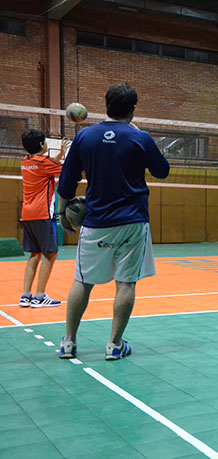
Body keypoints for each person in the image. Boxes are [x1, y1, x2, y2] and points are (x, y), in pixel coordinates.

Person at [57, 83, 170, 359]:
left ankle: (69, 343)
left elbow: (67, 180)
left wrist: (61, 214)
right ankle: (114, 345)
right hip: (133, 221)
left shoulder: (85, 137)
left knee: (82, 281)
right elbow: (163, 171)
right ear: (133, 109)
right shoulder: (140, 138)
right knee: (126, 283)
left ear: (105, 104)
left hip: (95, 222)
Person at [18, 129, 69, 308]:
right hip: (42, 213)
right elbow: (66, 171)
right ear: (41, 145)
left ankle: (26, 295)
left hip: (27, 214)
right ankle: (39, 296)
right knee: (51, 253)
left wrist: (60, 154)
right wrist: (72, 153)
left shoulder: (26, 162)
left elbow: (46, 164)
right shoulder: (44, 163)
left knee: (34, 254)